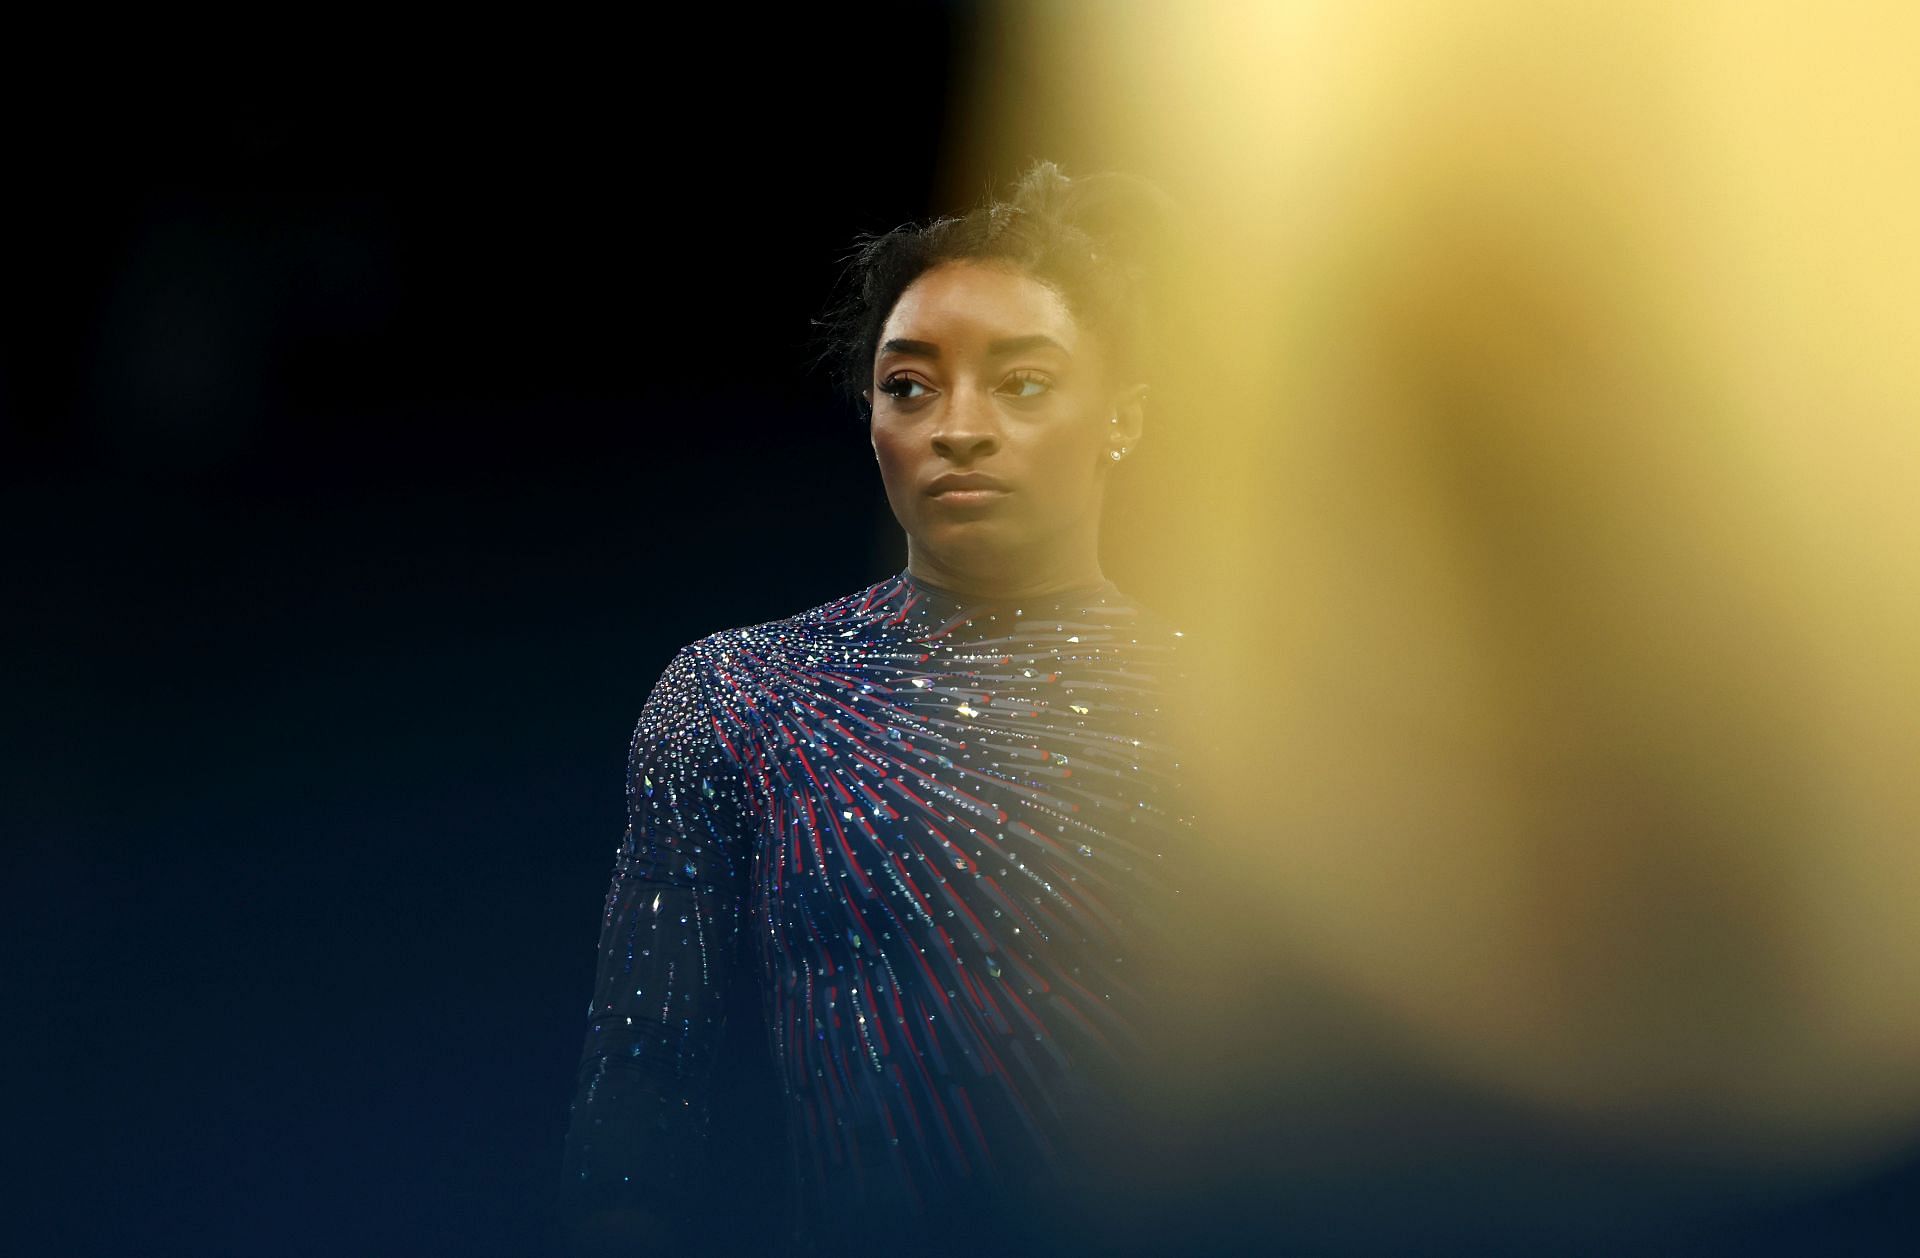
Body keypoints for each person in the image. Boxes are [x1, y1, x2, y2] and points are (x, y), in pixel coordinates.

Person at [560, 159, 1195, 1256]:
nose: (959, 427)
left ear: (1123, 417)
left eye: (1025, 383)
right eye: (911, 385)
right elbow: (644, 1090)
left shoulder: (1229, 718)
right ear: (869, 419)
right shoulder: (739, 696)